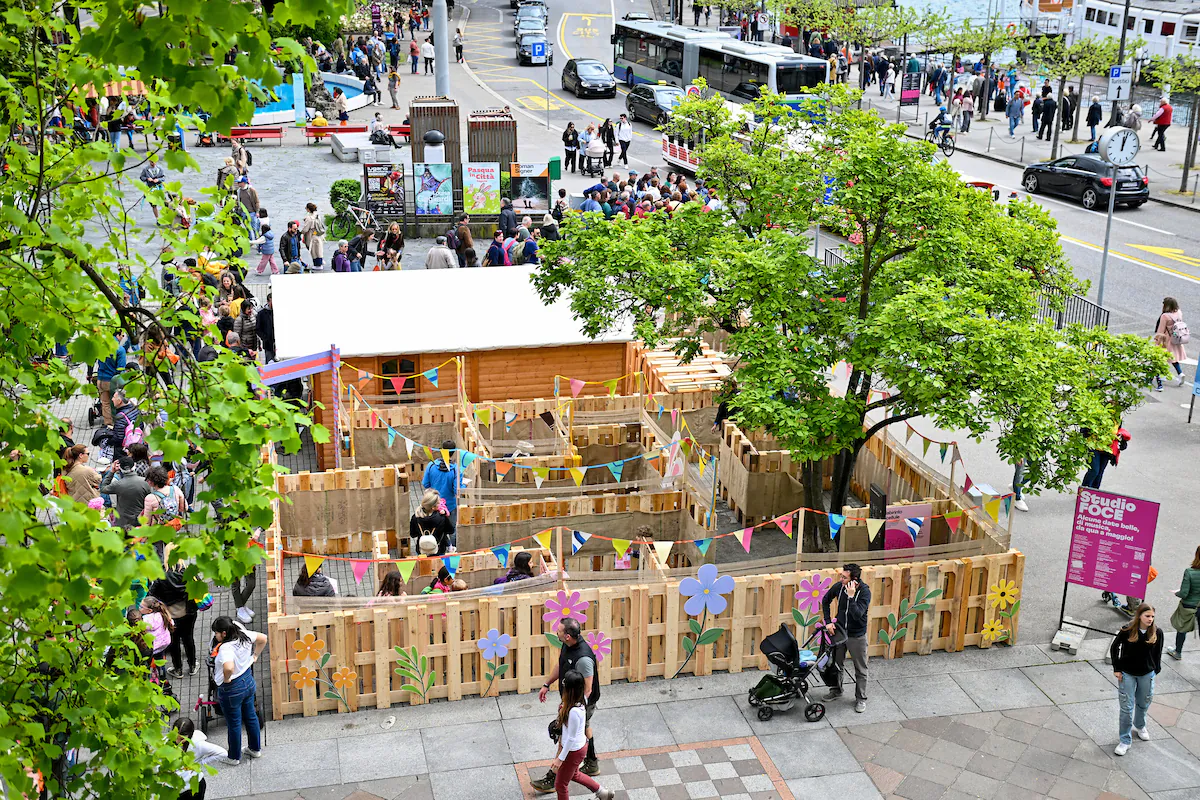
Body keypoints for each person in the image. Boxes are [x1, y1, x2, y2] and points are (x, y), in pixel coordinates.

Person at [531, 618, 602, 791]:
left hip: (580, 704)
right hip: (570, 700)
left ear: (568, 636)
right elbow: (561, 664)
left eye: (559, 631)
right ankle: (592, 763)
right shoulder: (567, 645)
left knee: (564, 734)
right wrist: (547, 684)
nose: (557, 633)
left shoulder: (583, 659)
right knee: (585, 727)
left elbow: (587, 689)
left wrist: (571, 708)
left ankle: (553, 777)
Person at [211, 616, 267, 765]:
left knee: (234, 723)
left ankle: (234, 757)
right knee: (251, 716)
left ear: (224, 633)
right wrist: (255, 655)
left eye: (216, 633)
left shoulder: (226, 648)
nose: (215, 636)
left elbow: (228, 667)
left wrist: (226, 678)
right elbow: (263, 638)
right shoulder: (244, 635)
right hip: (248, 680)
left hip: (232, 688)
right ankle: (255, 749)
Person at [1111, 604, 1163, 756]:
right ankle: (1125, 740)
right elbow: (1115, 647)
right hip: (1127, 673)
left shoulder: (1157, 632)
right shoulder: (1127, 630)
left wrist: (1155, 670)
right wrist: (1117, 668)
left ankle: (1140, 725)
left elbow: (1158, 653)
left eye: (1152, 616)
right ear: (1139, 616)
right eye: (1147, 616)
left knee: (1144, 702)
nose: (1150, 619)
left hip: (1147, 673)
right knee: (1126, 708)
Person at [822, 563, 871, 713]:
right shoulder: (839, 587)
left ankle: (861, 698)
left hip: (857, 635)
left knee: (860, 668)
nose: (841, 579)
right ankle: (837, 690)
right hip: (840, 632)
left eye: (844, 577)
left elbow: (857, 614)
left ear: (854, 580)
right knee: (837, 664)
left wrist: (851, 597)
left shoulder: (864, 592)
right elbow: (825, 600)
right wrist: (828, 622)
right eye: (841, 576)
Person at [149, 564, 199, 677]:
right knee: (188, 638)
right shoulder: (187, 571)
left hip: (170, 616)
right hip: (188, 612)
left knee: (174, 642)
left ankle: (178, 669)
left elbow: (151, 595)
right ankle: (192, 666)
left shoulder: (160, 575)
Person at [173, 717, 226, 799]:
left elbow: (222, 753)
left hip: (193, 786)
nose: (177, 741)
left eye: (182, 739)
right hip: (177, 788)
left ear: (189, 735)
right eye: (175, 736)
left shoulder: (198, 744)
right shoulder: (168, 741)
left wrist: (200, 763)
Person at [100, 455, 152, 529]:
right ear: (134, 466)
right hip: (140, 520)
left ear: (120, 468)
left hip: (122, 522)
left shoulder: (118, 484)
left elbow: (103, 488)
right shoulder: (145, 482)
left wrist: (112, 472)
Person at [410, 488, 455, 555]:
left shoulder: (416, 517)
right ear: (433, 507)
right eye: (438, 503)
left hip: (421, 550)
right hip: (439, 550)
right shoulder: (442, 517)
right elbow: (451, 531)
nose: (440, 504)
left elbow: (413, 534)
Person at [1155, 297, 1188, 388]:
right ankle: (1180, 373)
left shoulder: (1165, 316)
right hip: (1176, 338)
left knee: (1161, 358)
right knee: (1173, 358)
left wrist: (1157, 341)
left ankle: (1161, 378)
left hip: (1166, 340)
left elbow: (1161, 330)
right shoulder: (1179, 312)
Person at [256, 295, 275, 363]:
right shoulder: (262, 313)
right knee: (269, 362)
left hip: (278, 343)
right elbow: (258, 328)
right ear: (268, 301)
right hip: (268, 344)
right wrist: (265, 338)